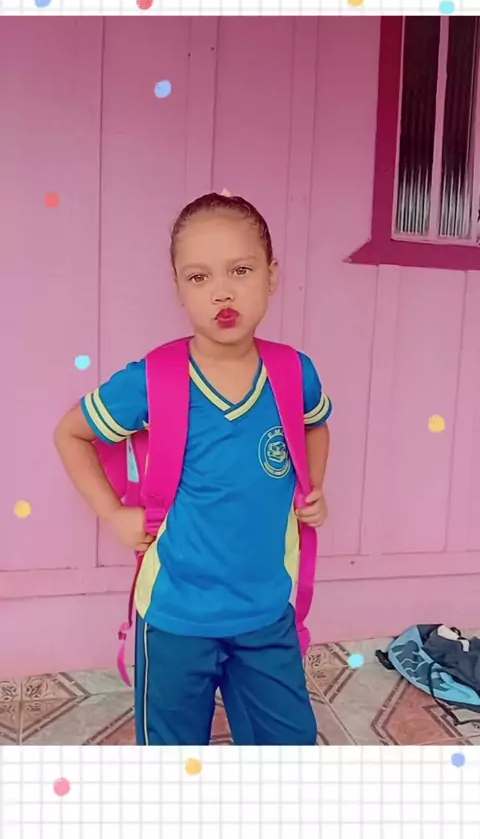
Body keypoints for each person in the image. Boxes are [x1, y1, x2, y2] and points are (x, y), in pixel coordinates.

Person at [54, 191, 332, 746]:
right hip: (175, 617)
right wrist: (114, 514)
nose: (221, 291)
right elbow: (72, 433)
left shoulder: (293, 372)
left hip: (265, 613)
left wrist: (313, 487)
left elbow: (314, 425)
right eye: (199, 277)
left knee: (290, 753)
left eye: (241, 270)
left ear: (272, 276)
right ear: (178, 288)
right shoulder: (153, 379)